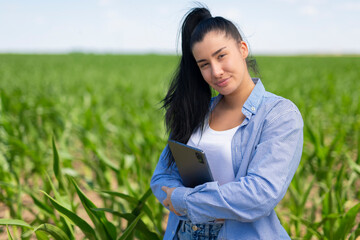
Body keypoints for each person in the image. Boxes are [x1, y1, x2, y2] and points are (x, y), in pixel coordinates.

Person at [150, 6, 303, 240]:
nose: (216, 71)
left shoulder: (279, 115)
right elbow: (162, 176)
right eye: (204, 64)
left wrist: (184, 200)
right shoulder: (197, 111)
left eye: (221, 56)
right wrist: (205, 204)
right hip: (183, 233)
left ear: (242, 49)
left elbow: (259, 194)